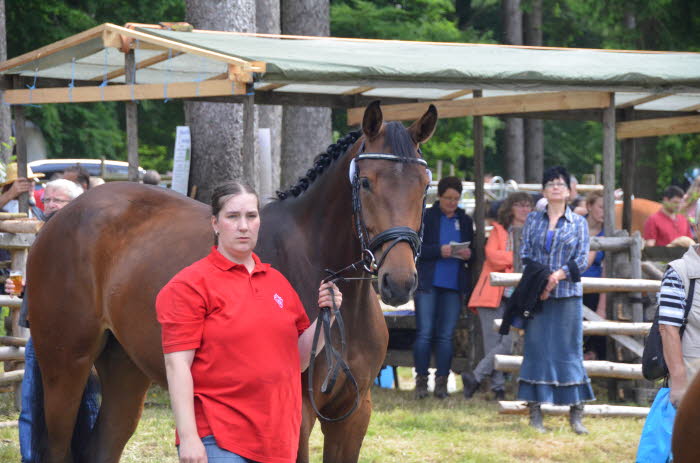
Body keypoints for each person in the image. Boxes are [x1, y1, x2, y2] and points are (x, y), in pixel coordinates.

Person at [156, 182, 342, 463]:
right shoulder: (189, 285)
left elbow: (297, 360)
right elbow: (177, 365)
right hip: (218, 439)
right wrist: (189, 438)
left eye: (251, 216)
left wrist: (326, 317)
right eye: (233, 216)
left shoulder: (277, 282)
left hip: (277, 440)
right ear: (215, 223)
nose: (243, 226)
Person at [4, 179, 92, 463]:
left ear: (75, 204)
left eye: (59, 200)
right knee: (31, 404)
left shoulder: (85, 238)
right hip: (40, 334)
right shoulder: (42, 234)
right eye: (48, 199)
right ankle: (30, 458)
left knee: (87, 401)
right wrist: (21, 289)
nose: (50, 205)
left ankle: (87, 455)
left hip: (79, 336)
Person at [516, 166, 594, 434]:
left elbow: (582, 260)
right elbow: (524, 254)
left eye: (560, 183)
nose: (556, 187)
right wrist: (543, 278)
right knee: (536, 349)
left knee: (570, 351)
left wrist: (557, 276)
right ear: (543, 190)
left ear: (569, 191)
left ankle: (576, 414)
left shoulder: (579, 223)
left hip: (567, 296)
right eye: (550, 183)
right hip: (537, 295)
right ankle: (535, 412)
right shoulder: (533, 221)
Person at [463, 192, 533, 401]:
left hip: (516, 297)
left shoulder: (532, 232)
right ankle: (498, 389)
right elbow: (493, 257)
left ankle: (475, 377)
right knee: (494, 344)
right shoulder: (499, 230)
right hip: (492, 295)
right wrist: (517, 258)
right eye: (519, 205)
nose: (524, 209)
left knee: (508, 343)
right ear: (510, 208)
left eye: (528, 206)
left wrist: (510, 260)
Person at [413, 176, 473, 399]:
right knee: (425, 332)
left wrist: (468, 253)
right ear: (439, 197)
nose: (451, 203)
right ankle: (421, 382)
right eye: (448, 198)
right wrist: (440, 251)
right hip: (428, 282)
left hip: (453, 284)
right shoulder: (427, 217)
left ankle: (442, 383)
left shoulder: (464, 220)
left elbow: (473, 250)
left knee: (446, 335)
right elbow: (417, 249)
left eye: (456, 199)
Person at [658, 201, 700, 408]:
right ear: (696, 229)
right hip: (694, 376)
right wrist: (679, 381)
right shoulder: (679, 271)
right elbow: (667, 328)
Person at [582, 191, 607, 360]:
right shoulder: (574, 226)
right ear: (589, 206)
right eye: (601, 207)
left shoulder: (607, 234)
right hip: (571, 284)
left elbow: (607, 271)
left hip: (595, 290)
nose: (604, 212)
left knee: (595, 332)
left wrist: (602, 307)